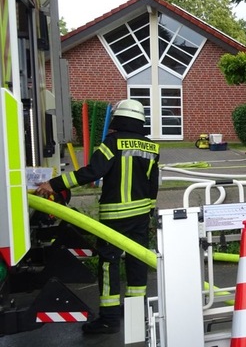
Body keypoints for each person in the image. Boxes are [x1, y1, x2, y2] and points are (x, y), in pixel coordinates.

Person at [35, 99, 159, 335]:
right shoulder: (152, 147)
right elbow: (153, 184)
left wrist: (54, 184)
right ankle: (135, 311)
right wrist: (149, 212)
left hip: (115, 216)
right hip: (141, 215)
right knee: (137, 262)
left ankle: (109, 318)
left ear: (119, 119)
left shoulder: (111, 143)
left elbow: (93, 172)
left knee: (109, 263)